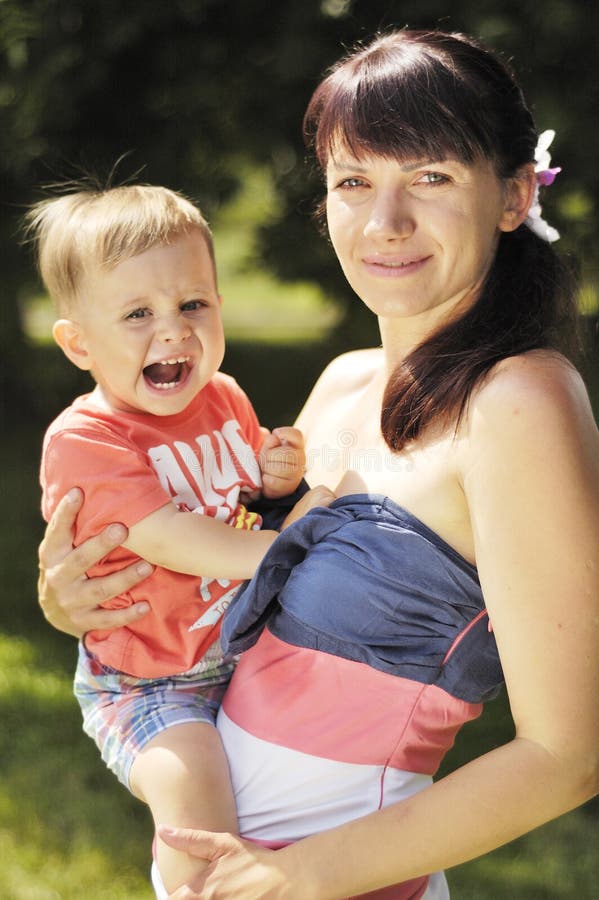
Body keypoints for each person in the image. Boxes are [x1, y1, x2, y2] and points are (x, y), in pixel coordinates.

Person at [37, 29, 599, 900]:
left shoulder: (515, 402)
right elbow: (230, 577)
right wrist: (82, 601)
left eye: (430, 177)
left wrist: (295, 875)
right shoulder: (341, 386)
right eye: (353, 181)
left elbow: (568, 755)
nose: (385, 222)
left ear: (513, 194)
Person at [26, 183, 333, 894]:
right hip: (151, 681)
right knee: (195, 802)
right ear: (78, 343)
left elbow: (241, 501)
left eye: (193, 304)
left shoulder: (222, 397)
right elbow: (170, 536)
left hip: (238, 648)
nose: (173, 332)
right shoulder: (87, 440)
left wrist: (276, 479)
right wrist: (295, 547)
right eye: (138, 314)